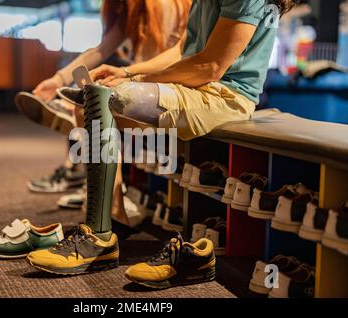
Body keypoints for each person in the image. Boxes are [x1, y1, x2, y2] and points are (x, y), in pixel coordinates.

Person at [25, 0, 299, 288]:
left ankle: (98, 236)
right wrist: (128, 73)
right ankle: (112, 220)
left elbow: (211, 66)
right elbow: (182, 49)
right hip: (194, 87)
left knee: (107, 98)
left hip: (224, 96)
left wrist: (138, 80)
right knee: (90, 102)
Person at [17, 0, 191, 194]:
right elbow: (100, 50)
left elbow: (158, 61)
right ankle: (92, 186)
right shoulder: (134, 11)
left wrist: (125, 75)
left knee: (88, 106)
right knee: (87, 100)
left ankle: (92, 187)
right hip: (149, 81)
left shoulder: (160, 6)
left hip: (165, 86)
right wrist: (58, 80)